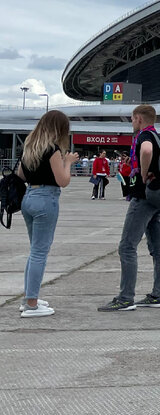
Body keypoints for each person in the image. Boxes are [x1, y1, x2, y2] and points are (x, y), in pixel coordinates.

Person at [99, 104, 160, 312]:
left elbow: (146, 151)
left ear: (139, 118)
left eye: (132, 119)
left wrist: (142, 174)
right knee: (158, 249)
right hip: (158, 199)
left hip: (143, 197)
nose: (131, 122)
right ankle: (158, 294)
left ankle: (125, 298)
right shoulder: (159, 137)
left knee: (127, 246)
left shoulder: (144, 137)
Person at [15, 110, 79, 317]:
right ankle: (32, 303)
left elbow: (20, 175)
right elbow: (63, 181)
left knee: (34, 251)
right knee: (39, 253)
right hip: (46, 198)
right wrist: (68, 162)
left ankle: (29, 297)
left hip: (29, 197)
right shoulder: (53, 150)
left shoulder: (30, 146)